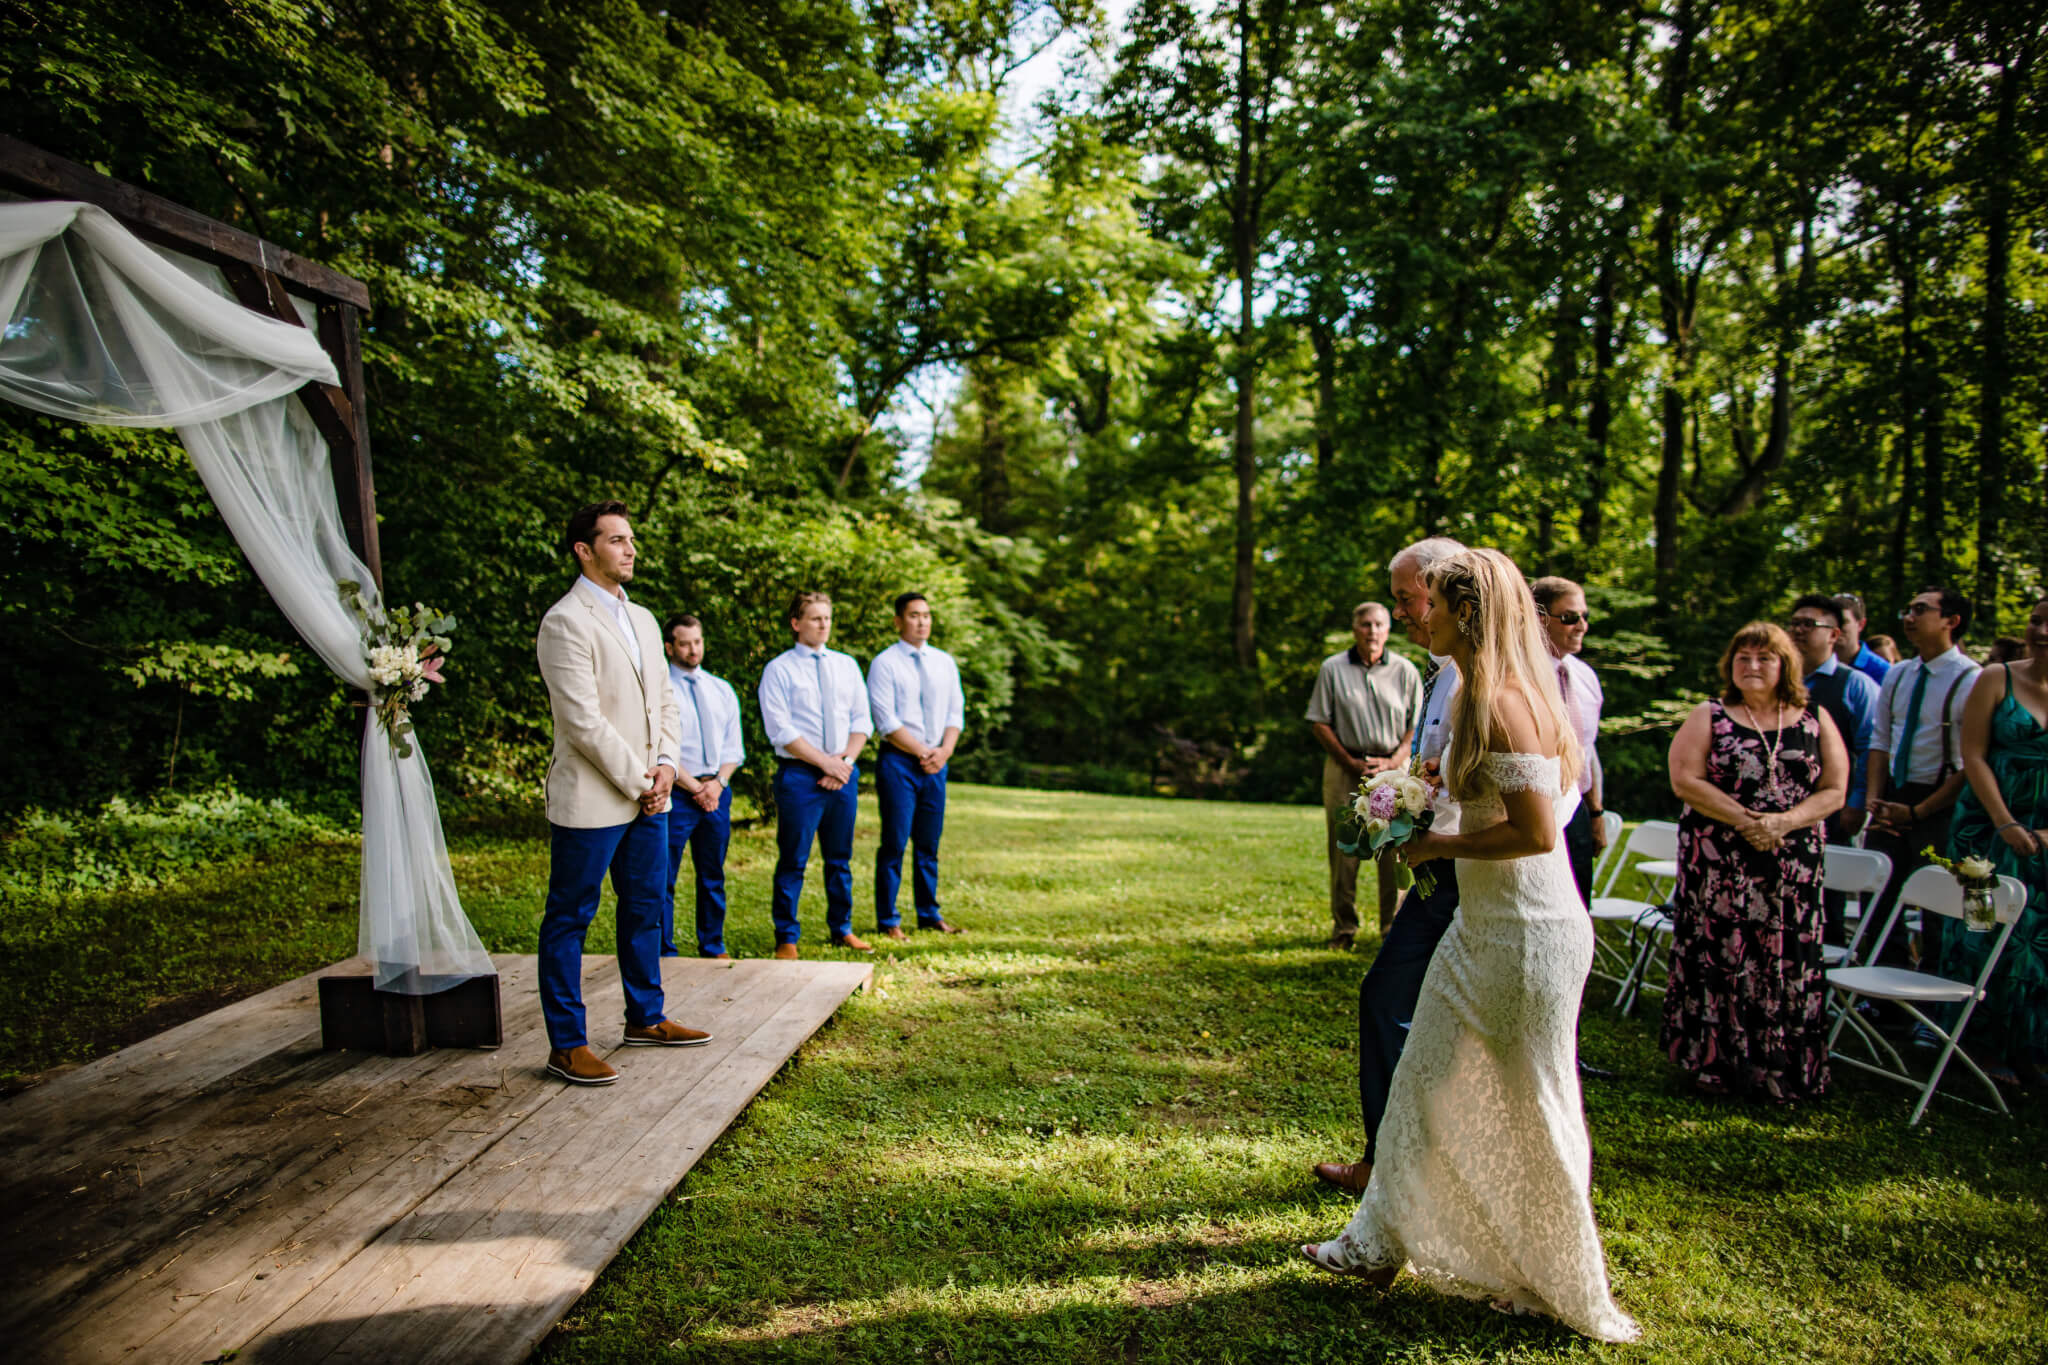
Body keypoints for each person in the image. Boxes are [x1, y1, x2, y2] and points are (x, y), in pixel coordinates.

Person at [1301, 548, 1638, 1344]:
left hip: (1529, 933)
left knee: (1538, 1104)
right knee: (1419, 1080)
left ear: (1468, 614)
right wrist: (1425, 805)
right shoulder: (1480, 692)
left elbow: (1531, 831)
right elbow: (1509, 801)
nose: (1425, 618)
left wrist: (1436, 848)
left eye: (1434, 608)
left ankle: (1554, 1277)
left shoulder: (1506, 700)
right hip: (1481, 927)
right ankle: (1375, 1243)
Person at [535, 501, 713, 1087]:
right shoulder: (565, 621)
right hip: (595, 798)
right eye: (615, 540)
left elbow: (665, 702)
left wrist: (666, 765)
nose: (630, 549)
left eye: (631, 538)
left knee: (644, 908)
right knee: (570, 917)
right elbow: (582, 723)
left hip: (651, 794)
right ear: (585, 550)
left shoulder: (642, 619)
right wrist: (643, 782)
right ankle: (567, 1044)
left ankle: (646, 1017)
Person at [1312, 537, 1464, 1197]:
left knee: (1399, 1002)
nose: (1398, 616)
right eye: (1390, 604)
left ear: (1447, 595)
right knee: (1390, 999)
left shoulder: (1467, 678)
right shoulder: (1444, 671)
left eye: (1406, 600)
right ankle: (1390, 1157)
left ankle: (1404, 1162)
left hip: (1462, 873)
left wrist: (1427, 826)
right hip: (1436, 856)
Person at [1663, 623, 1847, 1102]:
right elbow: (1685, 779)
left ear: (1785, 664)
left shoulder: (1814, 719)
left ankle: (1783, 1064)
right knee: (1725, 952)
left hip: (1792, 863)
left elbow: (1834, 789)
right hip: (1721, 857)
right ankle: (1717, 1063)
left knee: (1784, 956)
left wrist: (1783, 823)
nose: (1753, 666)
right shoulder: (1712, 714)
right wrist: (1750, 821)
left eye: (1765, 657)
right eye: (1743, 657)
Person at [1939, 596, 2048, 1085]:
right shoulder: (1995, 678)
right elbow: (1973, 754)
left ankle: (2030, 1046)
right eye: (2036, 619)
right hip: (1984, 829)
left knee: (2038, 940)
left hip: (2045, 832)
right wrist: (2004, 822)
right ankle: (1973, 1045)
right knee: (1978, 930)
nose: (2041, 630)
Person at [1864, 587, 1981, 970]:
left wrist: (1918, 812)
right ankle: (1883, 994)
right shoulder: (1898, 674)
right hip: (1892, 793)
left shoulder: (1972, 679)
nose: (1908, 618)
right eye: (1907, 609)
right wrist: (1876, 800)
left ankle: (1932, 1002)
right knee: (1877, 895)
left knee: (1938, 904)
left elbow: (1971, 762)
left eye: (1920, 610)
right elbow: (1880, 741)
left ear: (1951, 621)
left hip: (1940, 800)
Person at [759, 591, 872, 959]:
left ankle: (842, 928)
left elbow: (861, 721)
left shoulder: (846, 666)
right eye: (815, 618)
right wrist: (825, 764)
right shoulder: (780, 669)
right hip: (800, 776)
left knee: (840, 857)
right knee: (793, 858)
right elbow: (780, 729)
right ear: (796, 623)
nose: (824, 624)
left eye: (827, 617)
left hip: (843, 772)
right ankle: (786, 937)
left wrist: (843, 764)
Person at [1305, 601, 1421, 946]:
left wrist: (1393, 761)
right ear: (1355, 629)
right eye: (1366, 624)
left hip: (1393, 768)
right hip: (1345, 768)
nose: (1372, 631)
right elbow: (1320, 722)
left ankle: (1391, 928)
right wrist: (1349, 761)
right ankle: (1344, 928)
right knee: (1344, 850)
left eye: (1379, 625)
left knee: (1393, 848)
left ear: (1388, 630)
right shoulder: (1333, 668)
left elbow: (1414, 726)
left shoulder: (1405, 670)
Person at [868, 591, 967, 939]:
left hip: (937, 764)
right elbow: (885, 721)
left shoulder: (944, 662)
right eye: (913, 615)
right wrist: (924, 752)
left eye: (926, 615)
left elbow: (956, 713)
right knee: (894, 842)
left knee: (928, 844)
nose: (922, 621)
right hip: (900, 762)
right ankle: (889, 920)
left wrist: (943, 752)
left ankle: (929, 914)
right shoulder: (885, 663)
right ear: (898, 621)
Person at [661, 613, 744, 960]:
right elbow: (658, 742)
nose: (693, 650)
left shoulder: (720, 688)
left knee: (713, 873)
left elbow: (733, 746)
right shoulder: (661, 688)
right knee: (664, 875)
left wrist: (718, 784)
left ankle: (713, 944)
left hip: (717, 792)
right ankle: (664, 948)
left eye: (697, 642)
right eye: (684, 643)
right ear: (669, 647)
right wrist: (695, 787)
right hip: (678, 791)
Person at [1532, 576, 1606, 906]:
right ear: (1539, 618)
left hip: (1575, 808)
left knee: (1578, 906)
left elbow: (1587, 751)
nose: (1582, 626)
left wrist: (1596, 813)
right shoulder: (1520, 676)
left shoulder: (1586, 677)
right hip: (1532, 806)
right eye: (1570, 617)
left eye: (1584, 617)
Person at [1833, 592, 1893, 686]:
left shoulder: (1882, 671)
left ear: (1861, 624)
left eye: (1843, 622)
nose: (1836, 627)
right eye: (1831, 622)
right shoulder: (1815, 663)